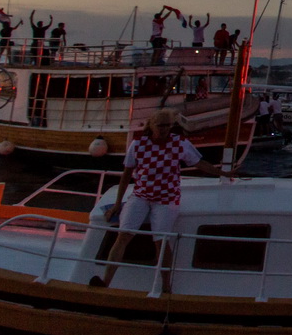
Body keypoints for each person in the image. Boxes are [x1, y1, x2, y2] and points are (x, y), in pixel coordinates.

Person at [90, 109, 232, 293]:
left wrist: (223, 173)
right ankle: (105, 281)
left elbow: (199, 163)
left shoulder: (179, 143)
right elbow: (126, 175)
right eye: (161, 125)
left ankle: (165, 287)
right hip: (141, 196)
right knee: (123, 236)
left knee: (161, 242)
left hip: (166, 199)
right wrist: (118, 204)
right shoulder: (138, 144)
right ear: (151, 125)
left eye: (168, 125)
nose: (164, 129)